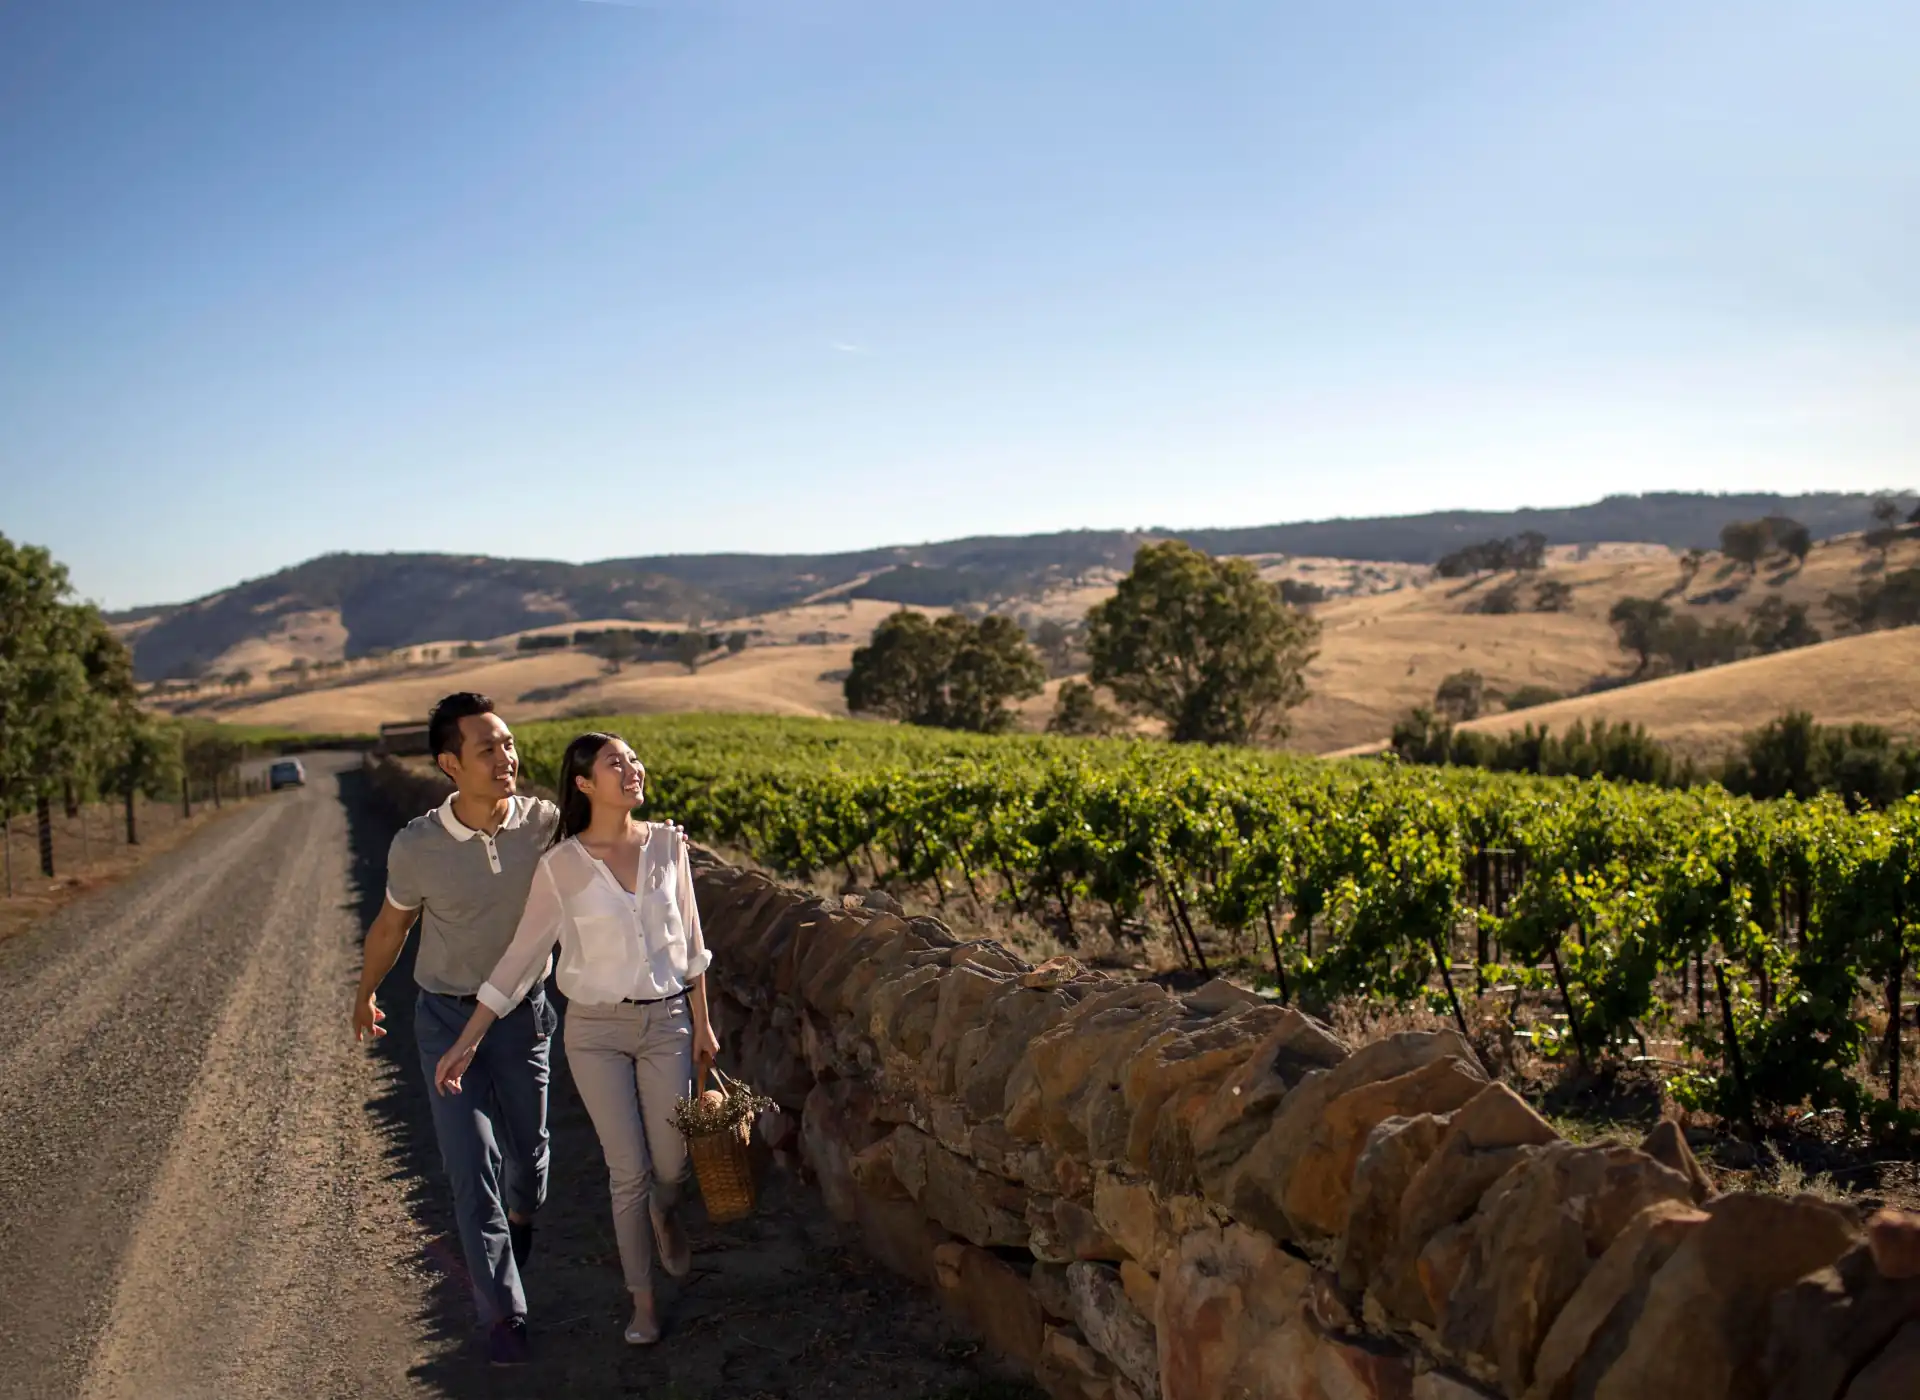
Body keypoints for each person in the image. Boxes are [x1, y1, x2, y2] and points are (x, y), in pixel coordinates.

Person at [433, 731, 720, 1346]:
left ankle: (666, 1212)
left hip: (668, 1023)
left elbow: (692, 945)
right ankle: (642, 1303)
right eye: (616, 762)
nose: (633, 768)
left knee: (671, 1166)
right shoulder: (561, 866)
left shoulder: (669, 845)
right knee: (628, 1171)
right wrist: (468, 1039)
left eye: (635, 758)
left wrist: (703, 1024)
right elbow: (520, 958)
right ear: (585, 783)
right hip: (595, 1033)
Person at [353, 693, 559, 1367]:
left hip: (524, 1016)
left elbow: (612, 851)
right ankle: (504, 1316)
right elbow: (391, 928)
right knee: (472, 1167)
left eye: (508, 744)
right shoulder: (417, 846)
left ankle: (522, 1219)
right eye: (487, 749)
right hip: (445, 1018)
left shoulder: (544, 824)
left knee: (529, 1159)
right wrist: (365, 992)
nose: (506, 758)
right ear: (450, 764)